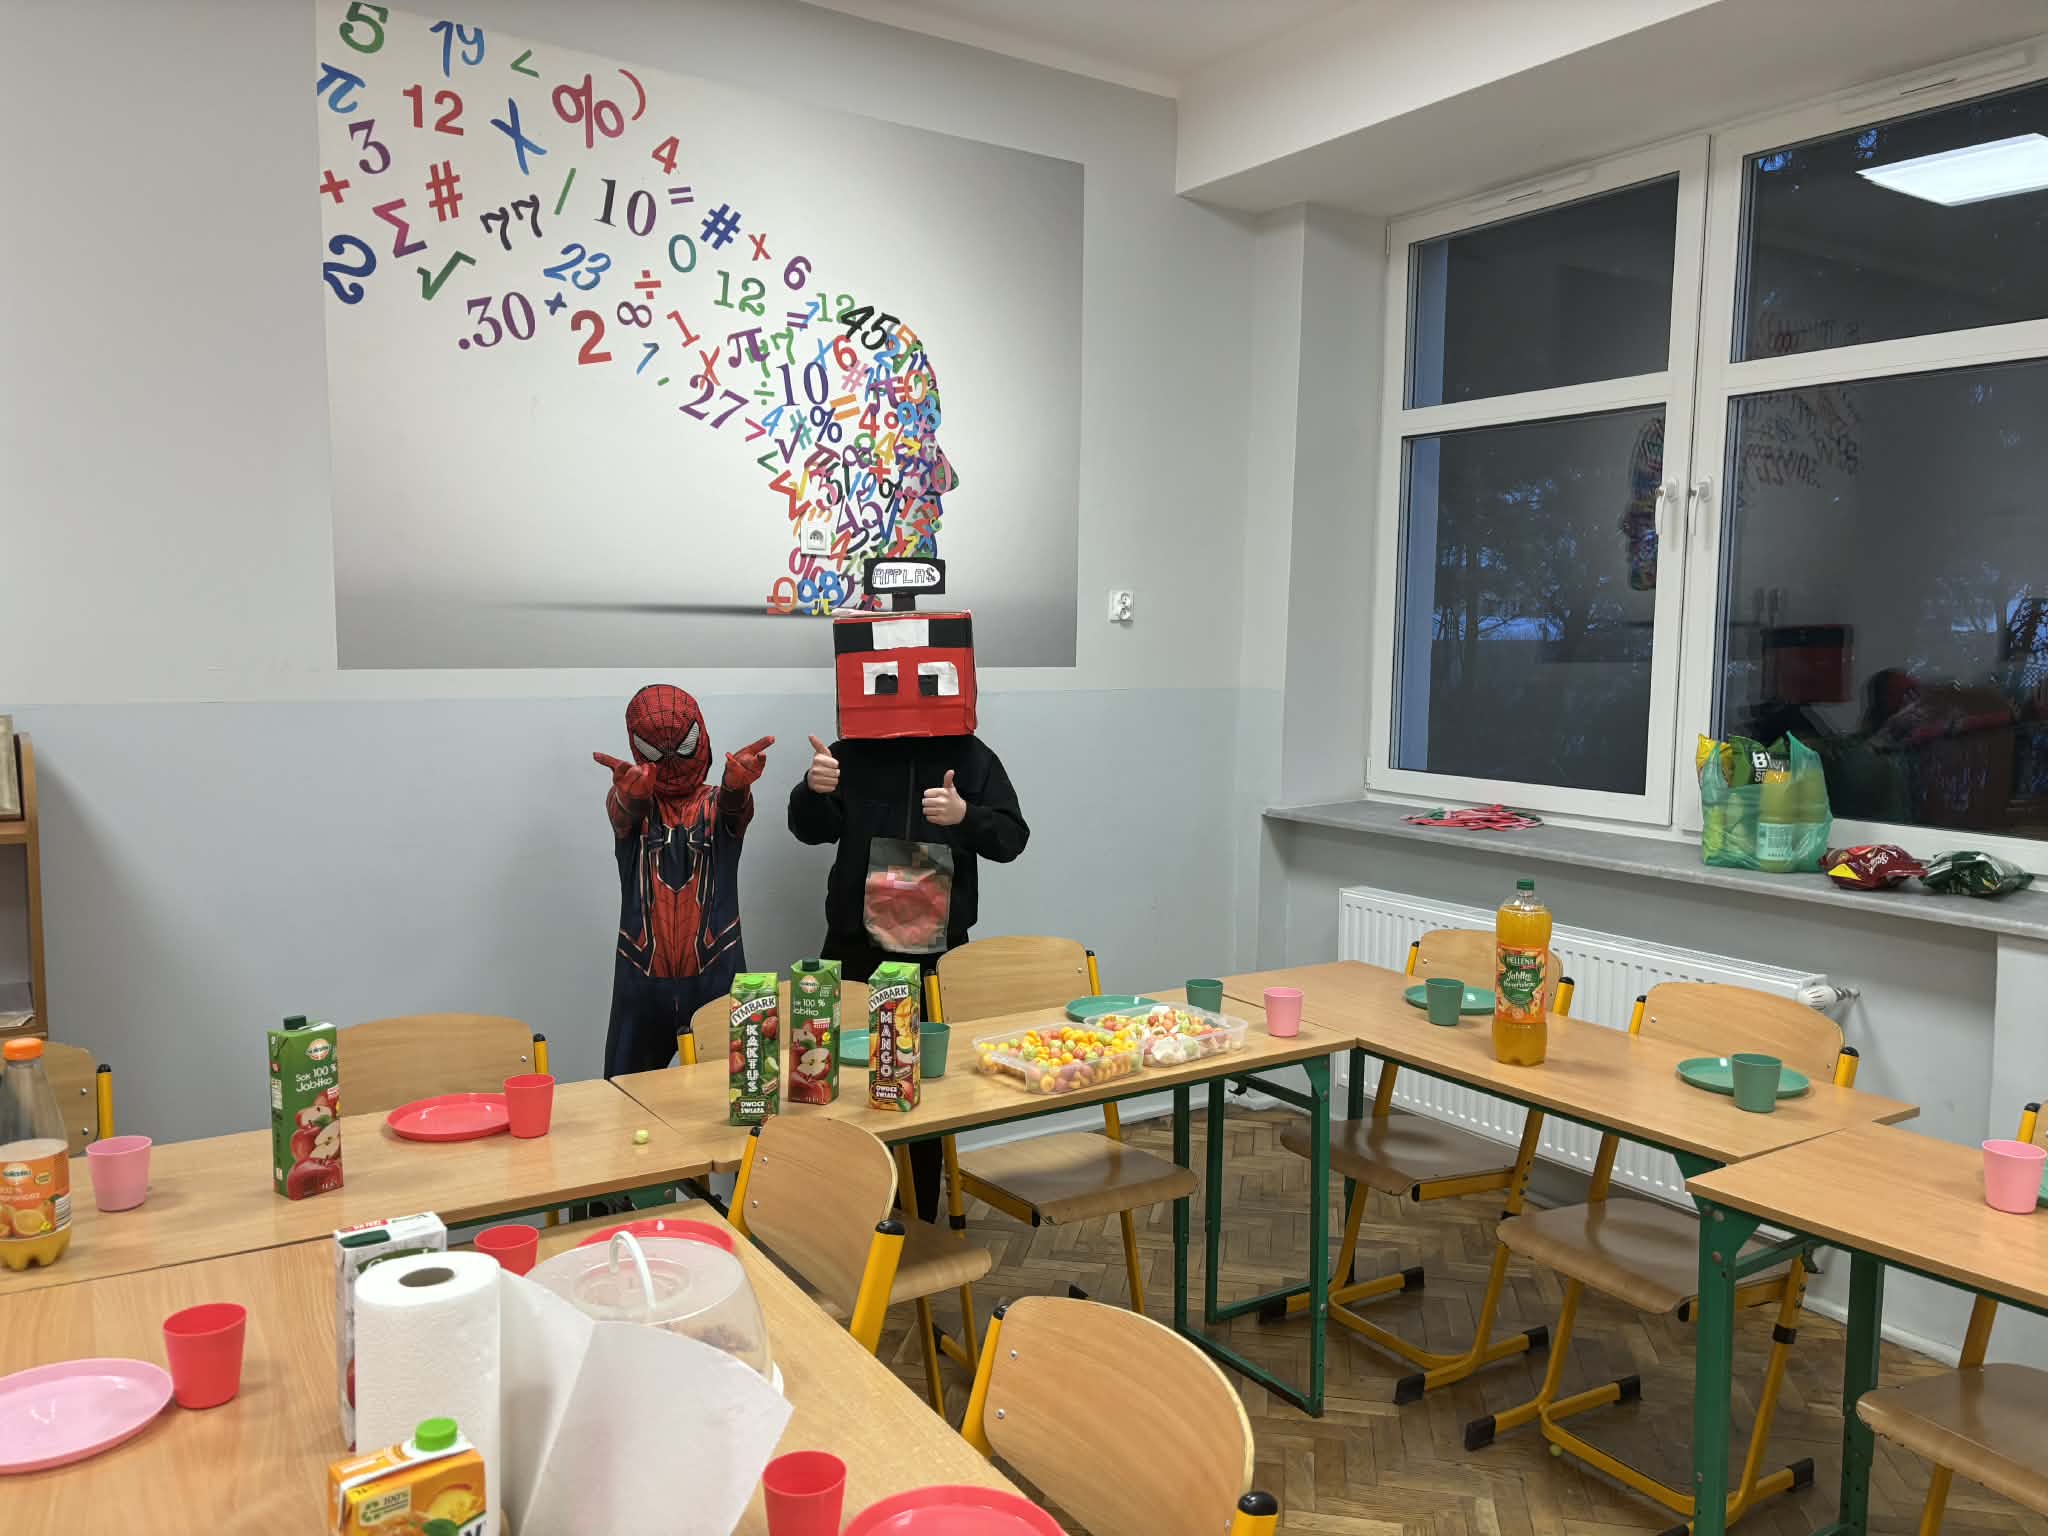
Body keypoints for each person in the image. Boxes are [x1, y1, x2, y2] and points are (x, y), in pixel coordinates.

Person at [788, 607, 1026, 1213]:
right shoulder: (848, 752)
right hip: (854, 946)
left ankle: (920, 1215)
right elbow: (808, 829)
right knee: (834, 1079)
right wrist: (813, 791)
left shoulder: (972, 756)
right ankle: (841, 1211)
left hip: (932, 955)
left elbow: (1012, 839)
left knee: (921, 1088)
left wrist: (965, 817)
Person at [595, 684, 773, 1078]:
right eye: (657, 751)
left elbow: (735, 813)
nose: (672, 760)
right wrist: (631, 797)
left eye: (684, 745)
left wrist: (736, 787)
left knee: (741, 1094)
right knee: (623, 1096)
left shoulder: (718, 803)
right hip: (642, 980)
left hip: (717, 976)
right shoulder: (634, 805)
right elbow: (622, 814)